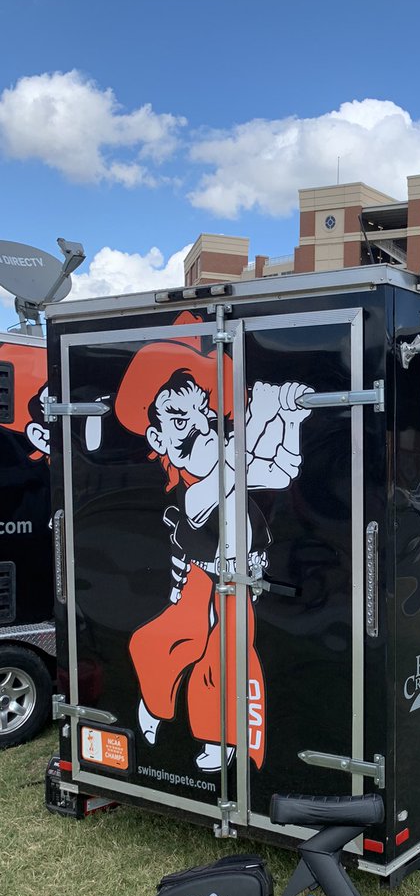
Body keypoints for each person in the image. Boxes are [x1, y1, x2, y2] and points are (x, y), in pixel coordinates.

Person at [114, 327, 313, 772]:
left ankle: (217, 737)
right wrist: (261, 414)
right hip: (200, 575)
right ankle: (155, 704)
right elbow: (231, 471)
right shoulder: (193, 493)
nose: (202, 427)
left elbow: (280, 472)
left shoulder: (225, 454)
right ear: (159, 441)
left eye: (203, 413)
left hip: (241, 578)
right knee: (165, 642)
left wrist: (291, 420)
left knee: (226, 654)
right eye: (181, 422)